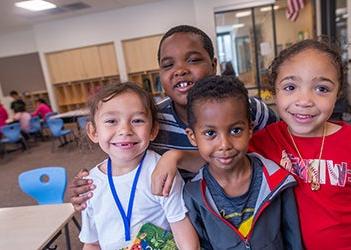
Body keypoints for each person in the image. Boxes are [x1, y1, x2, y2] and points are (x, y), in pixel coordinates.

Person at [69, 25, 278, 210]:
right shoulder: (152, 120)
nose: (179, 71)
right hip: (181, 217)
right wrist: (92, 184)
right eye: (168, 65)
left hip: (250, 209)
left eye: (193, 60)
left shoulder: (248, 109)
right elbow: (123, 161)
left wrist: (177, 156)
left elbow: (283, 151)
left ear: (213, 65)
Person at [248, 39, 351, 249]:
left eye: (322, 89)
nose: (305, 100)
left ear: (338, 93)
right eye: (290, 87)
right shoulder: (263, 142)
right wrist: (175, 156)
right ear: (274, 92)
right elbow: (220, 154)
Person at [182, 75, 302, 249]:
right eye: (210, 133)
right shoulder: (193, 195)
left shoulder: (278, 181)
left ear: (250, 129)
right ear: (192, 137)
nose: (224, 145)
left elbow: (293, 239)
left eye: (236, 130)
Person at [78, 82, 199, 250]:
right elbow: (92, 242)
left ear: (153, 130)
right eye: (111, 121)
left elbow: (181, 225)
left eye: (137, 120)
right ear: (94, 132)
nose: (125, 130)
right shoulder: (90, 183)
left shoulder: (160, 170)